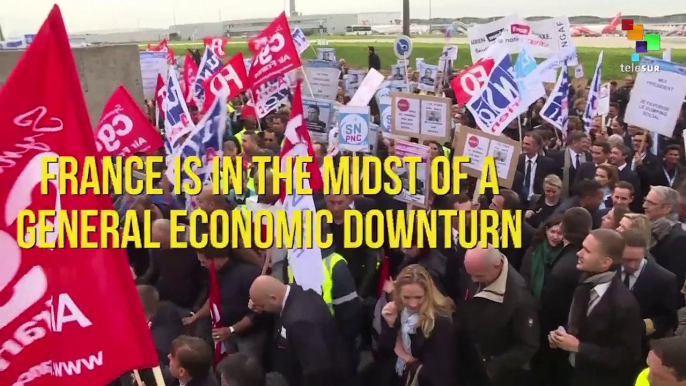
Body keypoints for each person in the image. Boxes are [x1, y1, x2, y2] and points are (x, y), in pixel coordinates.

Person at [549, 229, 643, 386]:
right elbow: (580, 324)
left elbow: (627, 357)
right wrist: (561, 335)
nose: (578, 253)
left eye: (586, 250)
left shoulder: (625, 305)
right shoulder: (584, 282)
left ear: (605, 262)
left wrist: (580, 347)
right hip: (570, 373)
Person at [249, 275, 353, 386]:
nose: (263, 310)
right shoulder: (301, 292)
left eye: (263, 306)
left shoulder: (299, 322)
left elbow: (316, 370)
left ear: (273, 298)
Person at [461, 244, 539, 386]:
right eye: (470, 274)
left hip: (498, 374)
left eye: (479, 276)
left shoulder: (519, 299)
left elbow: (528, 345)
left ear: (497, 265)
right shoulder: (478, 269)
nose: (473, 280)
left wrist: (493, 366)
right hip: (472, 360)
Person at [377, 264, 457, 386]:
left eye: (418, 297)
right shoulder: (395, 311)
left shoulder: (440, 321)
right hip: (397, 378)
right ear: (398, 293)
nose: (413, 304)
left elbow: (440, 374)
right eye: (407, 297)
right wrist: (390, 326)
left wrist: (407, 358)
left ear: (428, 293)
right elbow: (383, 353)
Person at [618, 228, 679, 362]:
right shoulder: (609, 269)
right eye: (627, 260)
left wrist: (642, 327)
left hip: (639, 350)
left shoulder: (664, 279)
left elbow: (669, 318)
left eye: (637, 260)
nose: (632, 265)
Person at [644, 186, 686, 306]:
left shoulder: (679, 239)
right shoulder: (646, 229)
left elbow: (674, 281)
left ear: (667, 208)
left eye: (650, 203)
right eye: (645, 201)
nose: (644, 206)